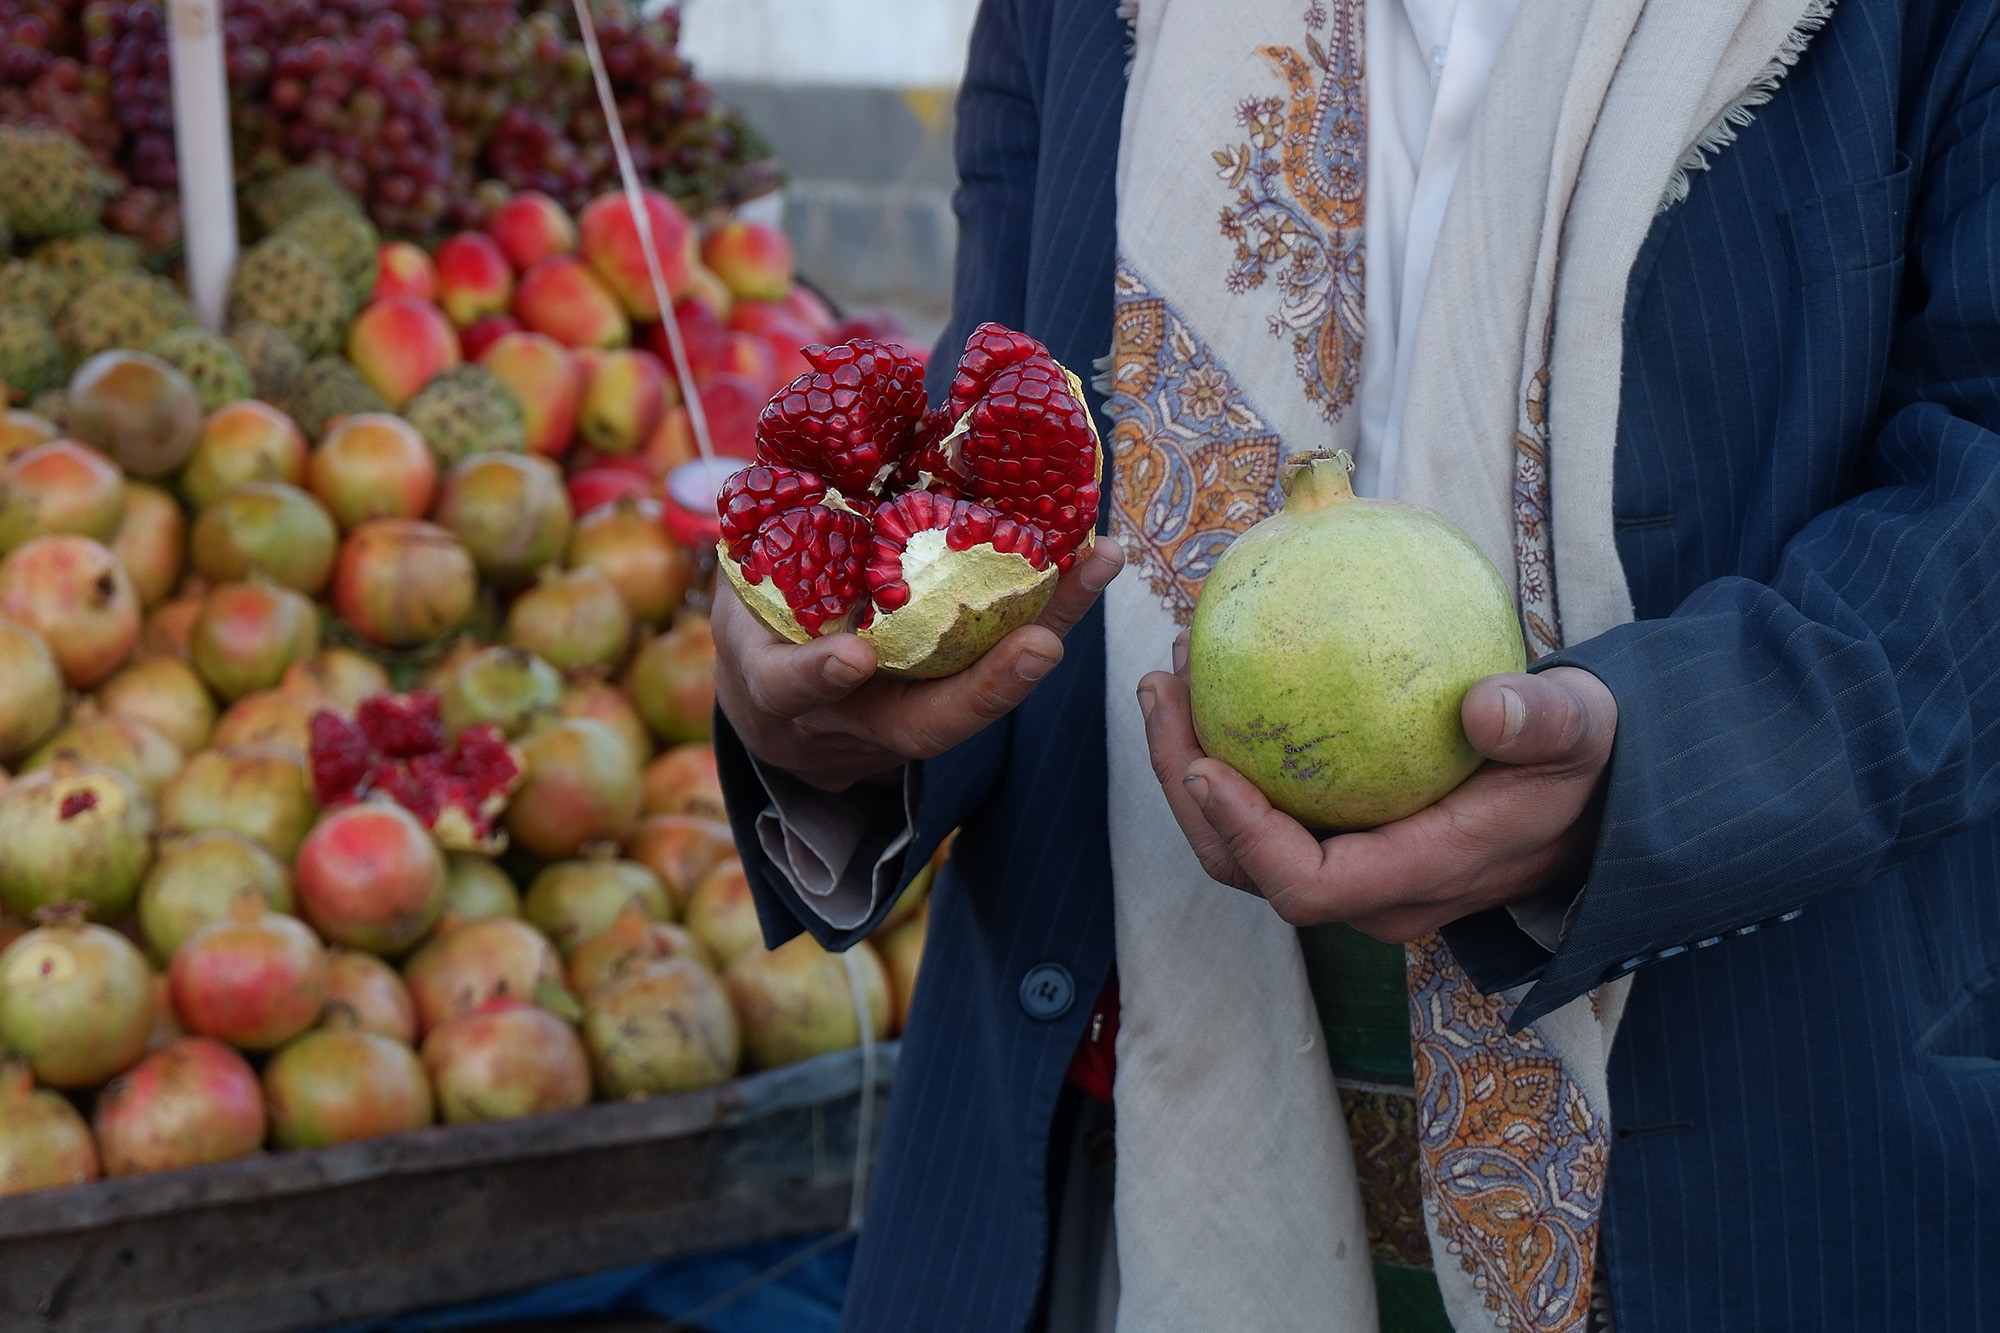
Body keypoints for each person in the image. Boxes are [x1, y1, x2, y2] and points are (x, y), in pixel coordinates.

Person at [713, 0, 2000, 1328]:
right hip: (1135, 1165)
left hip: (1744, 1170)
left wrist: (1646, 774)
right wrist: (836, 729)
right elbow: (998, 476)